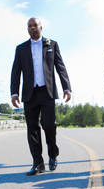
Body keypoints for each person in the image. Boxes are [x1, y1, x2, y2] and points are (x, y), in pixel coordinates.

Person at [10, 18, 72, 176]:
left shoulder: (51, 44)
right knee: (32, 129)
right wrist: (14, 92)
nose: (32, 28)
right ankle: (38, 163)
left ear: (41, 27)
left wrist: (67, 87)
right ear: (27, 29)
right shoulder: (21, 48)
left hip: (47, 92)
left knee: (49, 125)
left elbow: (60, 66)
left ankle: (53, 155)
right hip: (30, 94)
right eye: (29, 26)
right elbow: (16, 71)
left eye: (35, 25)